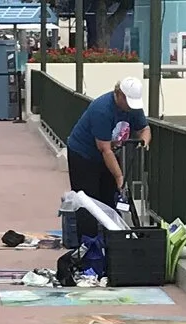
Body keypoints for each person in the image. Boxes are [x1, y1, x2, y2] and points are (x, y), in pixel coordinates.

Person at [63, 73, 144, 238]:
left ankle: (112, 240)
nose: (130, 107)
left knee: (110, 196)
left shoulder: (133, 108)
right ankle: (88, 243)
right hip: (83, 154)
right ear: (119, 95)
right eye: (128, 102)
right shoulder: (102, 110)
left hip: (109, 153)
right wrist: (119, 176)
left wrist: (143, 142)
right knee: (88, 200)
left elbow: (144, 128)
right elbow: (105, 149)